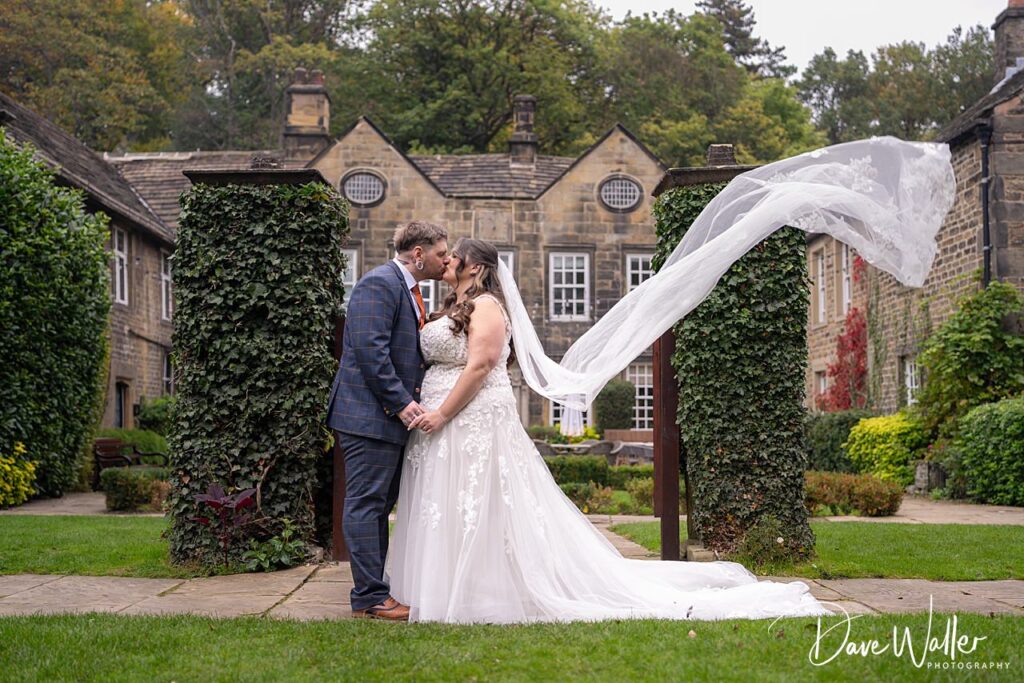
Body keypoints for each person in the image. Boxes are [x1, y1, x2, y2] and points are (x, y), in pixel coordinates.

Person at [390, 238, 830, 623]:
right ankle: (454, 587)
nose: (445, 261)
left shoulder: (487, 306)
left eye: (454, 256)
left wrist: (443, 412)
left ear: (476, 266)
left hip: (472, 415)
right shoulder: (450, 305)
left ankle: (485, 591)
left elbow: (482, 365)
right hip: (446, 418)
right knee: (457, 502)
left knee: (483, 501)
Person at [326, 220, 449, 621]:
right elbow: (369, 351)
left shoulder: (408, 290)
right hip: (367, 416)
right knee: (366, 504)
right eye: (440, 253)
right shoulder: (379, 283)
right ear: (419, 254)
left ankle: (375, 591)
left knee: (378, 505)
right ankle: (369, 598)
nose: (445, 260)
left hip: (383, 419)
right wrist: (401, 403)